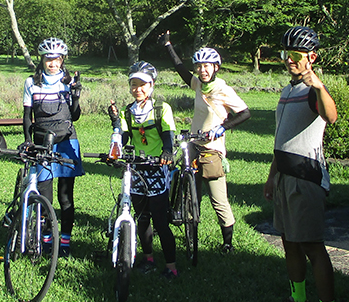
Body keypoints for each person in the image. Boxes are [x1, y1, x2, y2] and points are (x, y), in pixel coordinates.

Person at [263, 26, 339, 302]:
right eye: (285, 55)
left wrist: (319, 85)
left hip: (305, 178)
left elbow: (331, 117)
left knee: (311, 246)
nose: (289, 61)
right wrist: (271, 176)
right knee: (288, 241)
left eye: (295, 56)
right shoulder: (287, 90)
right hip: (283, 175)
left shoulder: (312, 91)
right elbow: (280, 139)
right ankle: (297, 297)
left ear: (311, 57)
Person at [160, 32, 251, 253]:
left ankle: (227, 243)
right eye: (199, 66)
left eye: (207, 66)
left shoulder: (222, 89)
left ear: (216, 67)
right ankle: (192, 231)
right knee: (191, 192)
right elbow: (181, 70)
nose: (203, 70)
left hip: (211, 150)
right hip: (192, 146)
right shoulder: (199, 85)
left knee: (218, 198)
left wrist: (222, 128)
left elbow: (245, 113)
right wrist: (168, 45)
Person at [107, 61, 179, 278]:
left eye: (142, 85)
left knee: (160, 219)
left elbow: (168, 134)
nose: (137, 89)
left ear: (152, 85)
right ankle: (147, 258)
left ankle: (171, 266)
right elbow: (124, 137)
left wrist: (167, 152)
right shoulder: (128, 111)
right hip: (137, 169)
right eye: (133, 85)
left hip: (156, 168)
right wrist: (115, 126)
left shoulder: (161, 108)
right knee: (142, 217)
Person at [22, 37, 85, 257]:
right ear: (42, 60)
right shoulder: (31, 82)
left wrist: (76, 96)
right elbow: (27, 116)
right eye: (48, 59)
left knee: (66, 197)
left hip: (67, 140)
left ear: (62, 60)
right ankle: (47, 240)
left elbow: (75, 116)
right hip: (42, 142)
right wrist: (28, 140)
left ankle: (65, 242)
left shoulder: (69, 82)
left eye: (56, 59)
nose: (52, 63)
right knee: (45, 196)